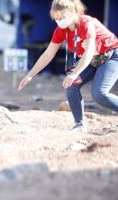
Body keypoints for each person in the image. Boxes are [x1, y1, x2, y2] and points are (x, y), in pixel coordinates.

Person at [18, 0, 118, 133]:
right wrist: (30, 75)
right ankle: (79, 125)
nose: (59, 21)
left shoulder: (86, 23)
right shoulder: (61, 30)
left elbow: (88, 51)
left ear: (74, 13)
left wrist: (75, 73)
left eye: (62, 18)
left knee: (99, 94)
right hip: (92, 59)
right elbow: (48, 54)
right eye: (56, 18)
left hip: (110, 56)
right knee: (71, 86)